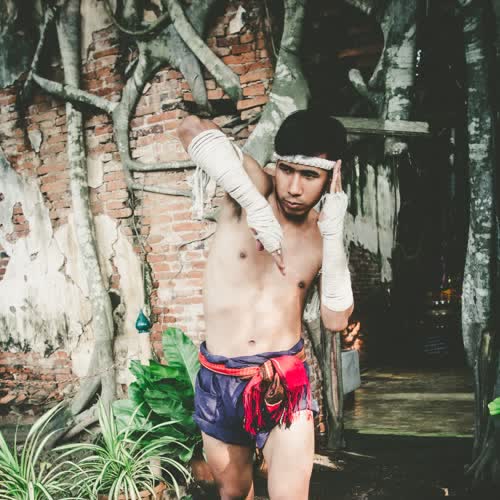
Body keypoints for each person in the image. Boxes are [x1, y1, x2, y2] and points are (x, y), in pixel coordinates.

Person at [178, 109, 354, 500]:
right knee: (233, 493)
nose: (293, 188)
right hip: (220, 379)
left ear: (331, 177)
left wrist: (334, 232)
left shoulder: (322, 233)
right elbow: (190, 127)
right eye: (287, 170)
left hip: (283, 379)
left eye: (309, 176)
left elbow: (336, 320)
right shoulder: (250, 189)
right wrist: (255, 207)